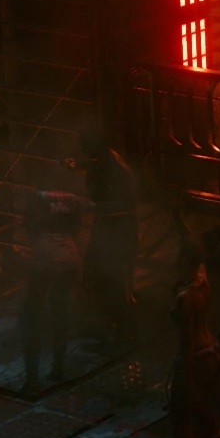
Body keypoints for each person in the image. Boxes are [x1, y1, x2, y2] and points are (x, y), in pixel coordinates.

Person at [164, 254, 220, 438]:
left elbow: (187, 341)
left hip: (196, 357)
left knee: (180, 421)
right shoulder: (203, 285)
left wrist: (186, 376)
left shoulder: (185, 298)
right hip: (211, 352)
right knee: (201, 405)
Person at [20, 185, 91, 393]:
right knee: (60, 309)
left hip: (44, 257)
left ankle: (32, 379)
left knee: (31, 314)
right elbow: (78, 227)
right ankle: (58, 369)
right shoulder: (72, 198)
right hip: (69, 255)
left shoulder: (36, 196)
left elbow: (29, 226)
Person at [80, 133, 143, 327]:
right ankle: (110, 314)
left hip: (120, 225)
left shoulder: (114, 168)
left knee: (117, 272)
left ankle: (123, 318)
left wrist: (95, 207)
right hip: (109, 223)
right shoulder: (104, 162)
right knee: (98, 266)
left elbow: (127, 202)